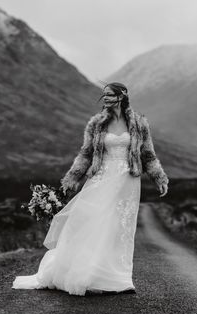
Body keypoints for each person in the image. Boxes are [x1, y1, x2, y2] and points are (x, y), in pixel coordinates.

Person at [12, 82, 169, 296]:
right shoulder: (96, 123)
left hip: (128, 182)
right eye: (103, 95)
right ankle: (89, 273)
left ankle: (119, 278)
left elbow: (148, 154)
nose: (105, 98)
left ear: (122, 96)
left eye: (110, 95)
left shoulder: (139, 123)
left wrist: (159, 177)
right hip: (102, 178)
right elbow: (86, 154)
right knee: (92, 221)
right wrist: (71, 179)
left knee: (119, 229)